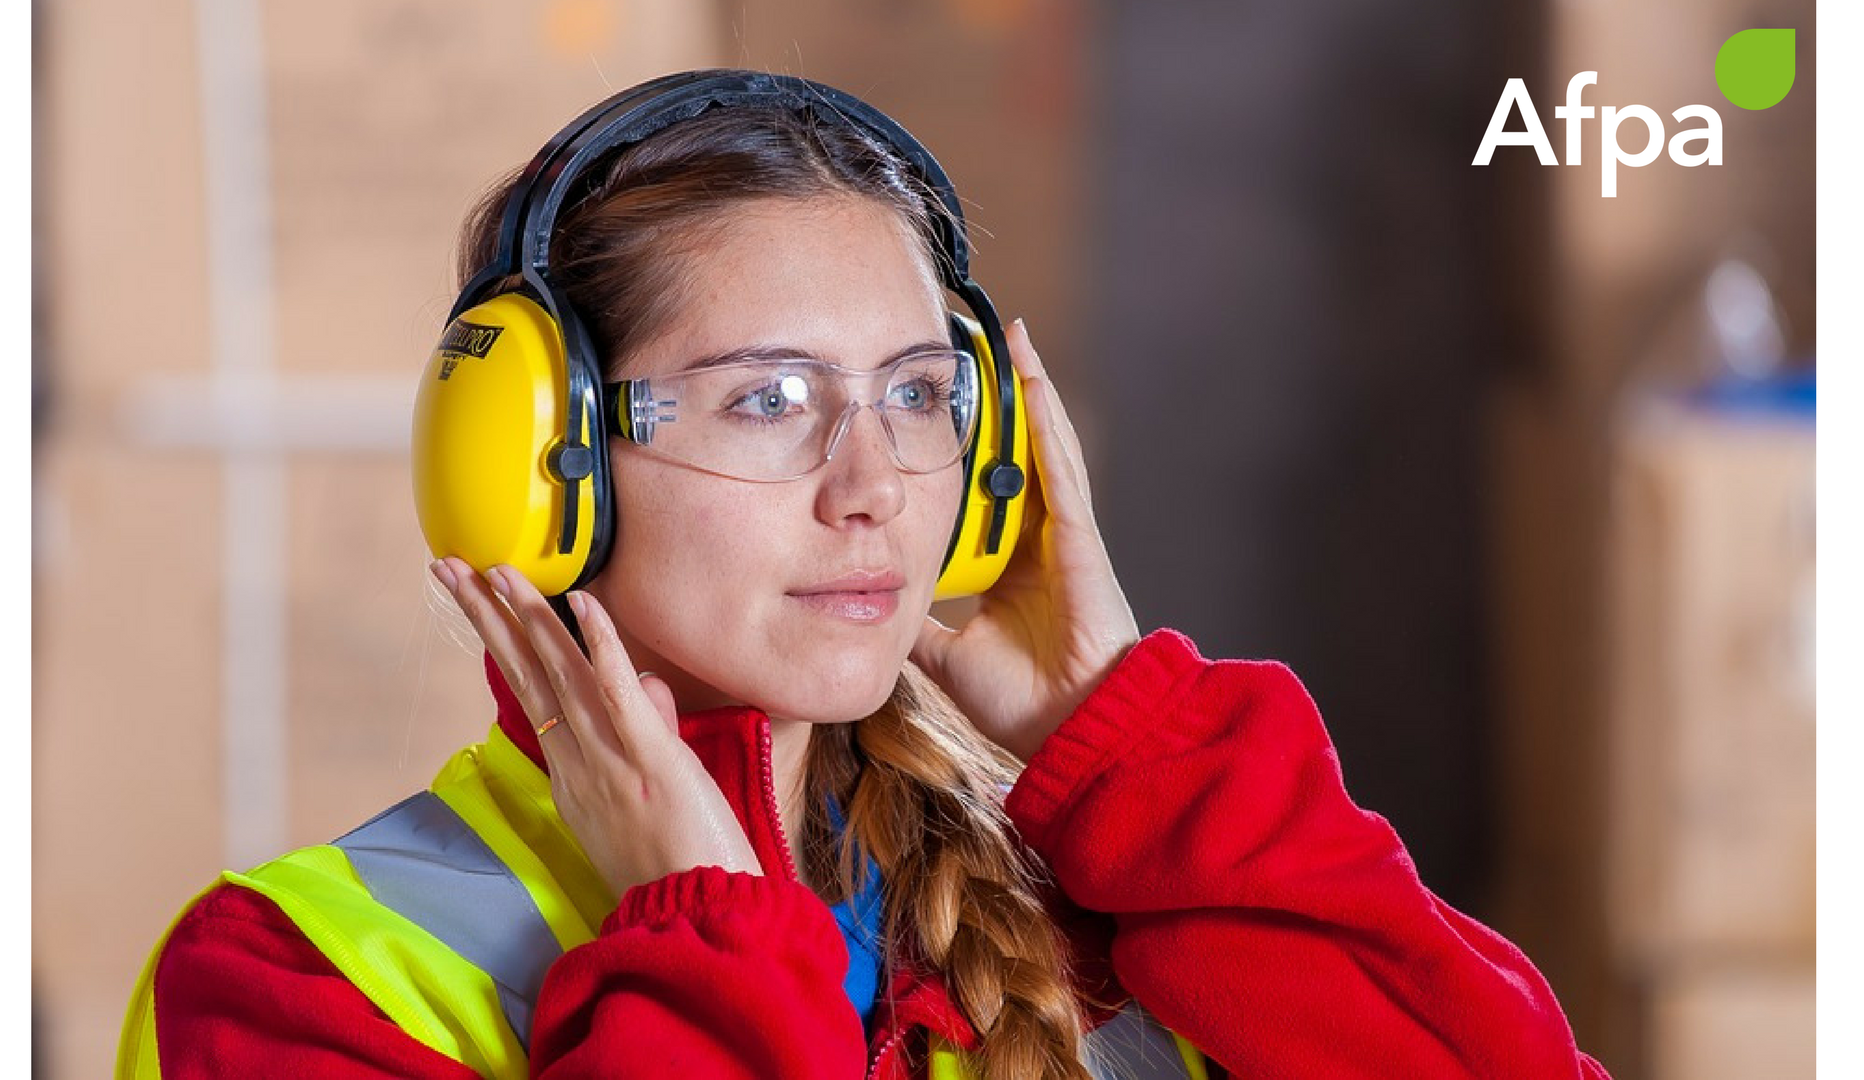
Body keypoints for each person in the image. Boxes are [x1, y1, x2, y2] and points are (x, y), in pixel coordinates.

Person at [118, 71, 1610, 1079]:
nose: (875, 485)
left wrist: (1142, 746)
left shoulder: (1113, 910)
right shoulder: (290, 982)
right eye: (767, 400)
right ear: (535, 468)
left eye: (916, 394)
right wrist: (698, 937)